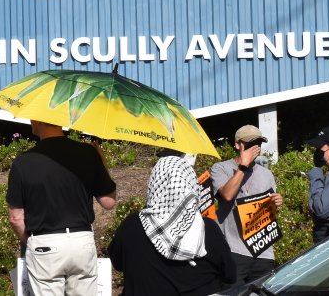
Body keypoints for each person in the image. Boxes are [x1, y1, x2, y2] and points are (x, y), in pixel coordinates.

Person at [6, 121, 117, 296]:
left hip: (45, 243)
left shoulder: (24, 162)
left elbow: (15, 218)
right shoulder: (87, 153)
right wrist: (101, 162)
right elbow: (108, 202)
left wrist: (31, 242)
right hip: (82, 240)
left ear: (38, 119)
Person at [109, 156, 236, 296]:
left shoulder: (131, 225)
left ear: (155, 184)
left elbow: (118, 264)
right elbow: (230, 275)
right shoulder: (208, 229)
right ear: (191, 185)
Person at [210, 125, 284, 286]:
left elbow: (268, 210)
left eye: (258, 144)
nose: (255, 149)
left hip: (263, 251)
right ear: (237, 145)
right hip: (234, 250)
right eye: (250, 144)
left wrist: (276, 202)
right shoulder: (220, 168)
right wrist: (243, 166)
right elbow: (227, 195)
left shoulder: (266, 174)